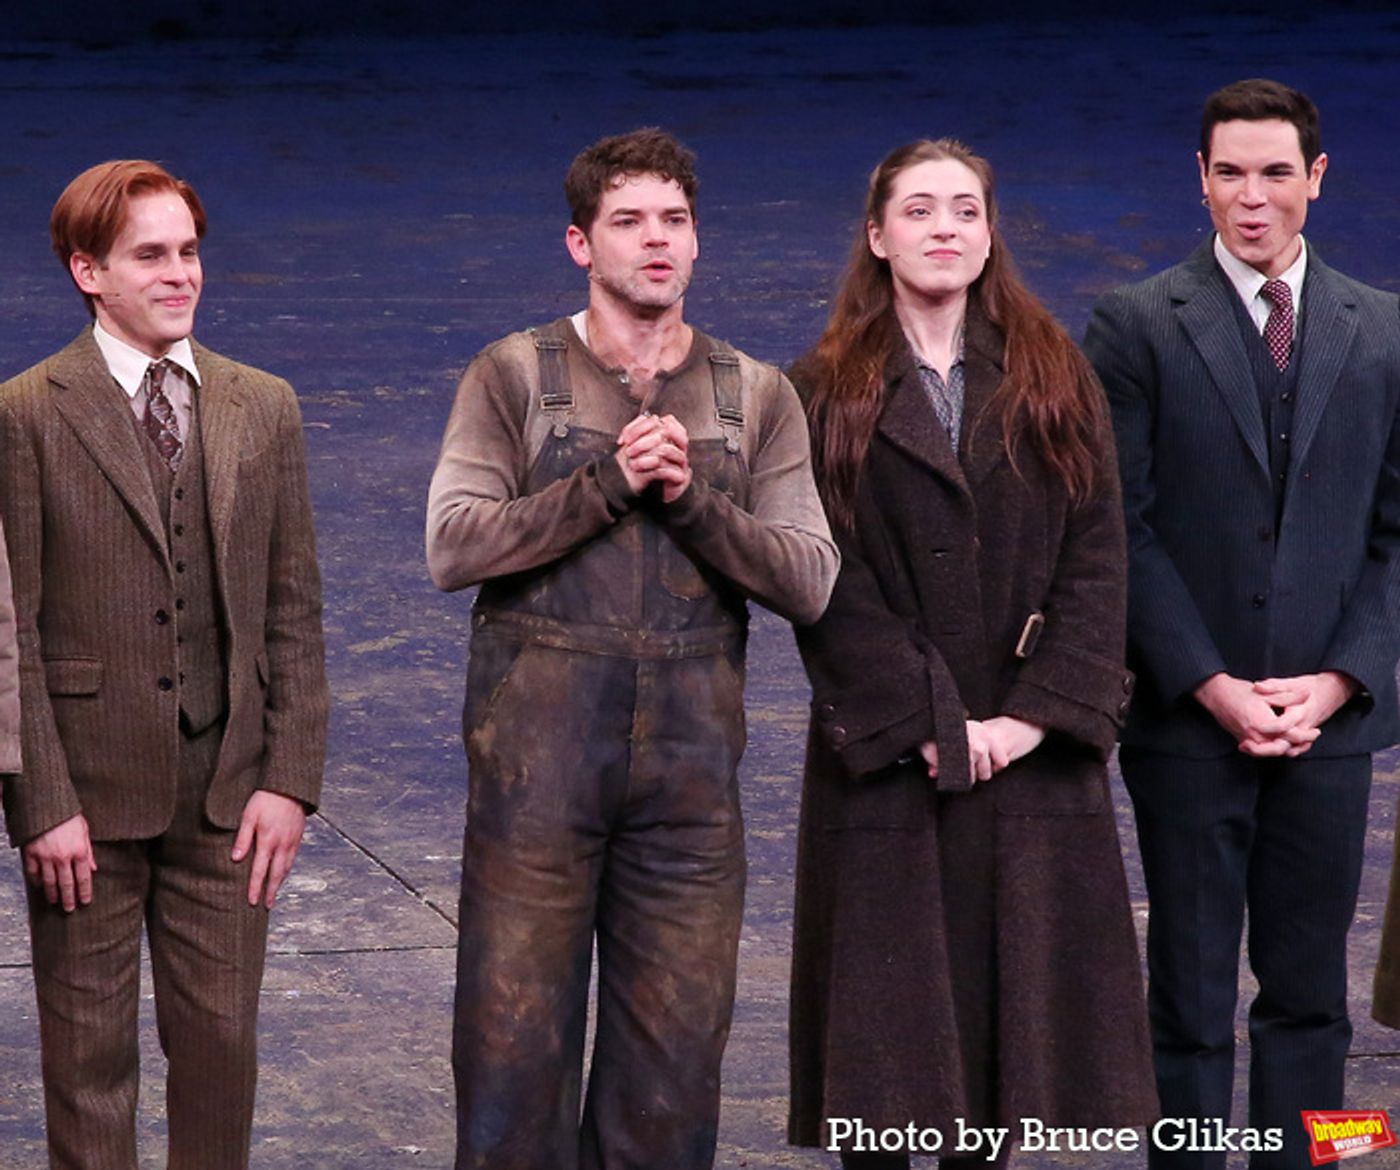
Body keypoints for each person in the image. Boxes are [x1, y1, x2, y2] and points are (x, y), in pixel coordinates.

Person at [426, 127, 837, 1170]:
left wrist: (690, 499)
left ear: (696, 241)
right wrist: (604, 485)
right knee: (512, 1061)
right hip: (535, 790)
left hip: (689, 801)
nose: (654, 241)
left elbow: (808, 577)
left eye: (673, 220)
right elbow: (450, 544)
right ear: (579, 244)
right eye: (627, 222)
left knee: (673, 1071)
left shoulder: (755, 395)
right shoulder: (515, 374)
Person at [787, 138, 1156, 1170]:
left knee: (1000, 1060)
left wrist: (1026, 718)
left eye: (962, 210)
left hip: (1026, 758)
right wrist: (929, 723)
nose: (941, 228)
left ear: (989, 236)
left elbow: (1097, 558)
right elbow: (822, 579)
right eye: (916, 210)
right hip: (890, 758)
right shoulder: (817, 390)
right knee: (885, 1059)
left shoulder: (1052, 377)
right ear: (876, 236)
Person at [1084, 79, 1400, 1169]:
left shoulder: (1383, 330)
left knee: (1312, 998)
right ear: (1200, 180)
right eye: (1228, 173)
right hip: (1186, 723)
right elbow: (1117, 527)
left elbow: (1395, 536)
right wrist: (1210, 684)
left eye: (1274, 173)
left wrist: (1338, 680)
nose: (1250, 197)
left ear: (1315, 178)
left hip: (1330, 724)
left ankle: (1316, 1164)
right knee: (1186, 990)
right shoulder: (1132, 325)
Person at [0, 160, 329, 1170]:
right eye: (151, 255)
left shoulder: (259, 405)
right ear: (87, 270)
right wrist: (41, 802)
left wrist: (288, 782)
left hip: (227, 797)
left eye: (188, 251)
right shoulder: (26, 414)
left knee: (223, 1051)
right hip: (87, 803)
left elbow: (292, 610)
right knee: (90, 1063)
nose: (180, 273)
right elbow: (10, 626)